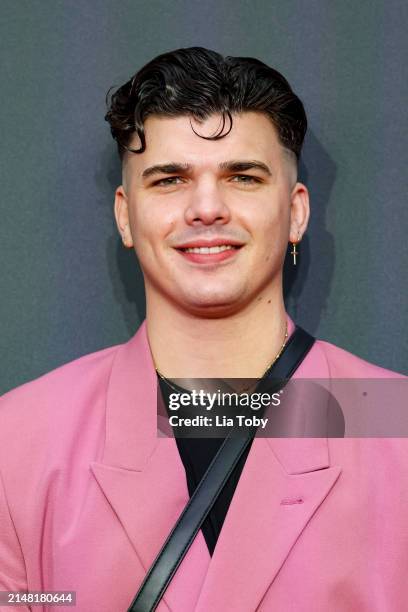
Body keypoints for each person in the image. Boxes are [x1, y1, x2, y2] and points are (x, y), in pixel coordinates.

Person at [0, 47, 406, 612]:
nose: (206, 207)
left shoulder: (396, 427)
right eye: (169, 180)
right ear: (125, 215)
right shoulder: (18, 442)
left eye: (242, 176)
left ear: (296, 213)